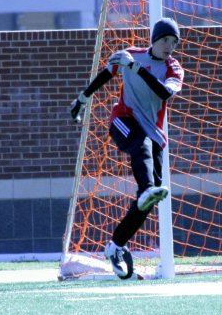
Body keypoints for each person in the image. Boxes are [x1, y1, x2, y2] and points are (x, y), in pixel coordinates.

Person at [69, 18, 185, 279]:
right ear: (154, 39)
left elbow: (164, 94)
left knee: (148, 200)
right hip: (123, 122)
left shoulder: (174, 68)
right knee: (144, 168)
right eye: (165, 40)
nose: (169, 46)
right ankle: (145, 190)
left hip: (154, 134)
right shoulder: (131, 55)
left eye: (174, 42)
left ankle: (115, 246)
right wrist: (82, 99)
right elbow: (106, 75)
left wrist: (135, 69)